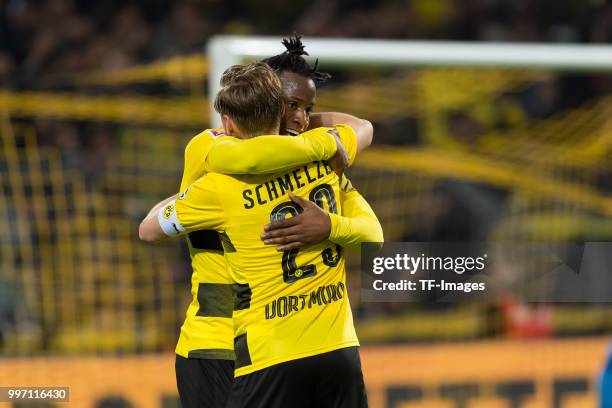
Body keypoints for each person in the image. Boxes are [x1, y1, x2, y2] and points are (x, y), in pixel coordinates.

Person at [149, 34, 380, 408]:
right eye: (290, 105)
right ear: (266, 103)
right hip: (216, 339)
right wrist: (325, 140)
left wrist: (302, 127)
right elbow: (249, 158)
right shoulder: (213, 148)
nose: (301, 117)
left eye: (307, 108)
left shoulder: (300, 156)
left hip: (270, 340)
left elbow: (365, 126)